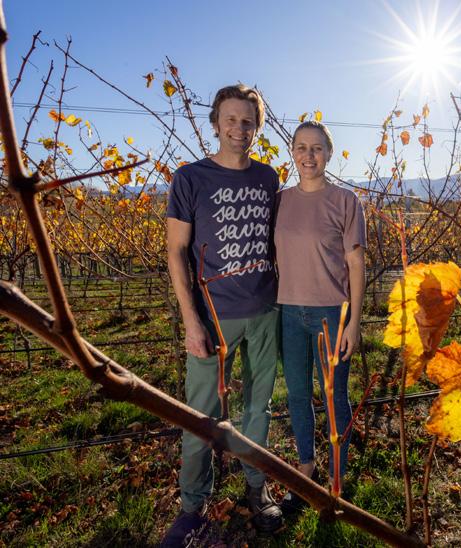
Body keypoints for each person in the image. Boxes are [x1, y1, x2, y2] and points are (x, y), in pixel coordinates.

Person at [162, 84, 282, 547]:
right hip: (213, 317)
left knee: (258, 408)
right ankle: (193, 507)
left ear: (257, 127)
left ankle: (257, 487)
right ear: (216, 124)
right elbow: (176, 252)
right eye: (230, 119)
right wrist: (191, 321)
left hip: (265, 311)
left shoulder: (268, 178)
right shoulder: (190, 178)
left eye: (248, 121)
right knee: (200, 416)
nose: (239, 128)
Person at [274, 120, 366, 513]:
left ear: (328, 153)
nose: (308, 155)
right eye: (301, 147)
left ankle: (338, 474)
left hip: (332, 313)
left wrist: (354, 322)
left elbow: (356, 264)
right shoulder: (279, 201)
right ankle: (306, 468)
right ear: (292, 153)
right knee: (297, 395)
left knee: (335, 398)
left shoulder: (345, 201)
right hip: (288, 313)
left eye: (316, 148)